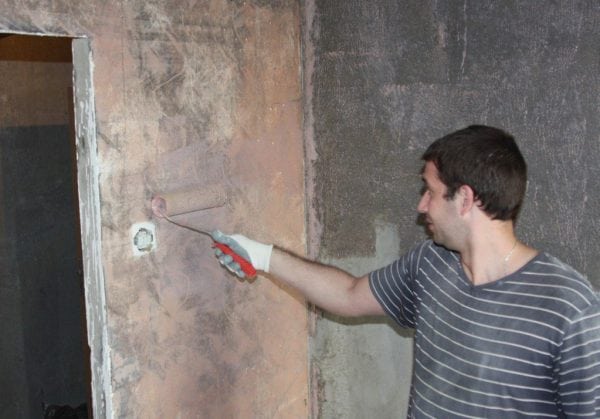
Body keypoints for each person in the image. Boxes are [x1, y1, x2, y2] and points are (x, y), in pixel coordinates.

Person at [212, 125, 600, 417]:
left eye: (430, 191)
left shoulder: (568, 308)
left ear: (464, 199)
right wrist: (261, 256)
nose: (421, 206)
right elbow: (348, 295)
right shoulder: (431, 265)